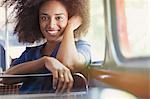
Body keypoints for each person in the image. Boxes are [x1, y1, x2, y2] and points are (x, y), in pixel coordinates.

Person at [2, 0, 91, 94]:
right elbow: (6, 78)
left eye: (59, 17)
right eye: (44, 18)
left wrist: (70, 27)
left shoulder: (81, 47)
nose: (51, 25)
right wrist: (44, 62)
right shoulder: (31, 53)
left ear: (70, 18)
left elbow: (68, 63)